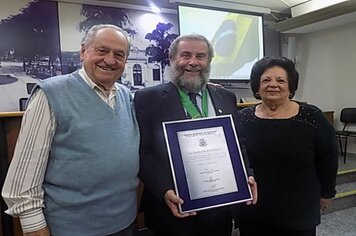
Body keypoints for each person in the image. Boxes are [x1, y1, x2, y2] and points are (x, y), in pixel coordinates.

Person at [2, 24, 139, 236]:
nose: (110, 60)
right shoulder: (50, 94)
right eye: (102, 51)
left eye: (119, 54)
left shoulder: (127, 97)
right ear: (83, 52)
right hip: (71, 228)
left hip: (125, 222)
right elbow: (25, 172)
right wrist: (33, 226)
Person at [134, 34, 257, 236]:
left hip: (220, 208)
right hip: (174, 209)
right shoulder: (148, 99)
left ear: (209, 61)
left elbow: (237, 144)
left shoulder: (225, 97)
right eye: (185, 55)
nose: (193, 62)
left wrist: (247, 175)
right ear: (172, 59)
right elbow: (144, 153)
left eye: (201, 56)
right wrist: (164, 190)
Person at [237, 56, 338, 236]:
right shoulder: (242, 118)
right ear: (257, 87)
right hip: (253, 208)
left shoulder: (312, 117)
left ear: (290, 86)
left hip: (299, 211)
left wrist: (327, 193)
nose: (273, 85)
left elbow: (329, 158)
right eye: (266, 80)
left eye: (280, 80)